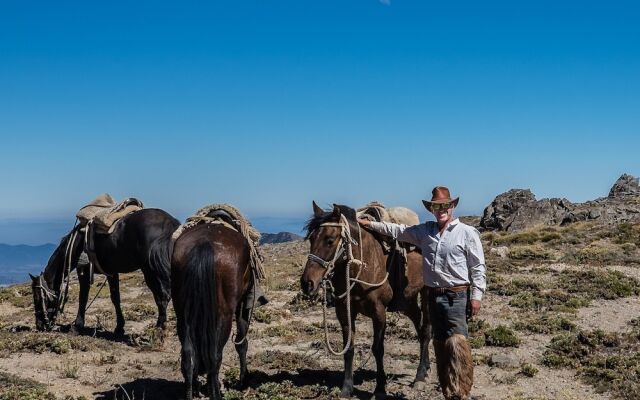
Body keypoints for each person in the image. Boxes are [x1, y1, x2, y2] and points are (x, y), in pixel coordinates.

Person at [357, 186, 486, 400]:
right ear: (432, 209)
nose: (441, 209)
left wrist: (476, 297)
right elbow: (397, 231)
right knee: (440, 343)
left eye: (445, 205)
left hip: (457, 295)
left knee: (458, 344)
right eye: (437, 206)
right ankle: (448, 390)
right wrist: (370, 224)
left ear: (452, 206)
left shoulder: (467, 233)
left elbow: (478, 267)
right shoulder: (425, 231)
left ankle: (463, 392)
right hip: (435, 295)